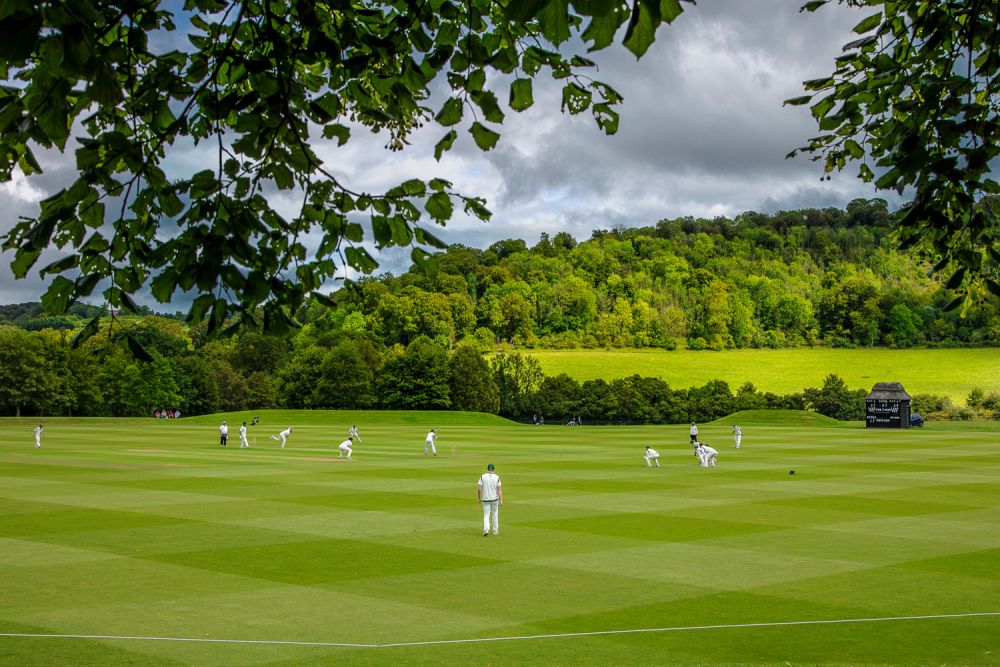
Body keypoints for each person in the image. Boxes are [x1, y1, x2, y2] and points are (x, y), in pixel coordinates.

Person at [477, 463, 503, 536]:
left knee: (486, 515)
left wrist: (479, 498)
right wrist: (501, 500)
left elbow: (479, 489)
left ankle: (486, 529)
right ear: (494, 469)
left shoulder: (482, 476)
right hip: (494, 499)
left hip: (485, 499)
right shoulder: (497, 477)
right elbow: (499, 489)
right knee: (495, 514)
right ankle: (495, 531)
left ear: (487, 469)